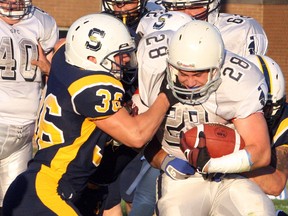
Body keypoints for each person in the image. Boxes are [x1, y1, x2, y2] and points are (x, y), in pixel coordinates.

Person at [2, 13, 172, 215]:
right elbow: (136, 136)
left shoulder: (65, 60)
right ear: (92, 58)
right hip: (48, 193)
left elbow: (62, 45)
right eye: (119, 55)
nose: (126, 60)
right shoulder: (92, 87)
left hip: (45, 189)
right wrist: (168, 93)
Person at [142, 20, 276, 215]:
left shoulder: (238, 82)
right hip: (182, 179)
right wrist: (165, 161)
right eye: (183, 73)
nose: (189, 83)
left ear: (216, 68)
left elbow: (261, 153)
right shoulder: (153, 74)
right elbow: (140, 140)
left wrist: (213, 164)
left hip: (231, 176)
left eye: (198, 74)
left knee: (259, 210)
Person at [0, 0, 58, 215]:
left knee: (13, 204)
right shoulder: (42, 20)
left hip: (26, 128)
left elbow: (53, 74)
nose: (13, 3)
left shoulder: (41, 21)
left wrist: (48, 68)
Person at [137, 0, 268, 57]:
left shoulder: (239, 31)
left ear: (213, 6)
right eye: (178, 8)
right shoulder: (152, 22)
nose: (185, 14)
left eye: (194, 7)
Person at [244, 55, 288, 213]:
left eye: (266, 108)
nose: (259, 114)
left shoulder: (283, 120)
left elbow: (275, 184)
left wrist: (224, 162)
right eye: (254, 106)